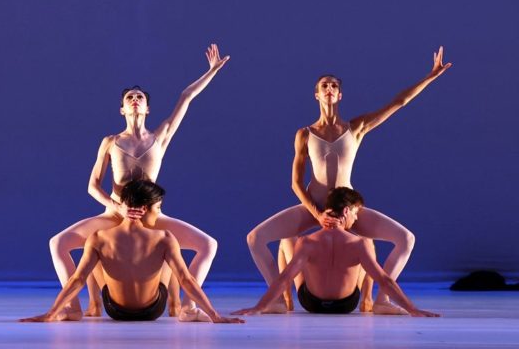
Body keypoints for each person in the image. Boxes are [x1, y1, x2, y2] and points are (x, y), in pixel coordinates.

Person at [246, 48, 451, 314]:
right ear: (316, 94)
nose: (329, 88)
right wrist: (317, 214)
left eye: (334, 85)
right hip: (315, 206)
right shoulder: (305, 134)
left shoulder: (356, 128)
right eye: (324, 85)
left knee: (406, 239)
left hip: (348, 209)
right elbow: (296, 183)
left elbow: (397, 103)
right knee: (255, 238)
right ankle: (273, 300)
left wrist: (430, 76)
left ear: (340, 95)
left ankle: (382, 302)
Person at [49, 44, 229, 321]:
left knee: (209, 244)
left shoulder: (160, 138)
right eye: (130, 97)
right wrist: (117, 207)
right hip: (114, 215)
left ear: (147, 108)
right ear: (122, 109)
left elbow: (186, 97)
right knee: (58, 243)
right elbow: (92, 186)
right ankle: (74, 306)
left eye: (140, 97)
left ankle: (188, 307)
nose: (135, 99)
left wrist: (212, 72)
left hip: (153, 217)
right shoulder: (110, 142)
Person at [23, 180, 242, 324]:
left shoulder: (99, 236)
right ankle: (177, 305)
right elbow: (185, 279)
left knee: (93, 258)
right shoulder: (164, 237)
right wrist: (215, 316)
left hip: (115, 310)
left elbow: (78, 279)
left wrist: (51, 313)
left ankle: (94, 304)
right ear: (144, 209)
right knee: (170, 256)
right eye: (158, 208)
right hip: (152, 310)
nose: (158, 214)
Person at [235, 188, 438, 317]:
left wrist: (259, 307)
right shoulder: (359, 243)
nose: (357, 220)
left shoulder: (307, 242)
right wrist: (413, 309)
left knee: (287, 238)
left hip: (311, 303)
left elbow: (285, 278)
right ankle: (370, 301)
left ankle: (281, 302)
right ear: (347, 211)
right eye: (356, 213)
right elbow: (385, 280)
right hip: (346, 304)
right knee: (368, 242)